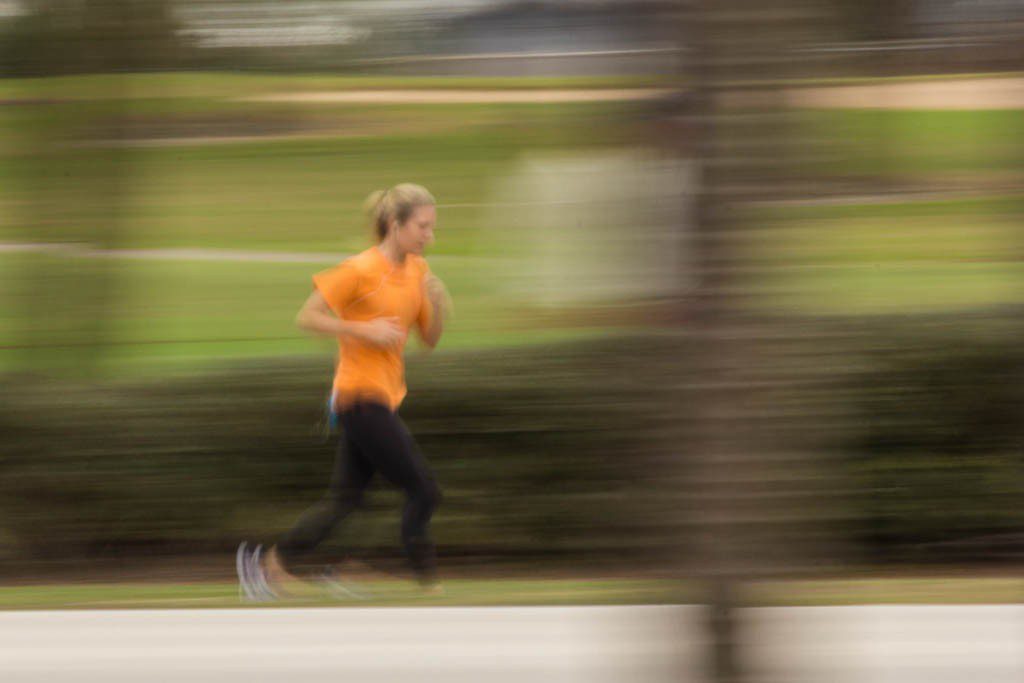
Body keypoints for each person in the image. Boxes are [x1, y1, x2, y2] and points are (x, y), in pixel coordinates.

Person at [238, 183, 451, 599]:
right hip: (358, 396)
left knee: (347, 500)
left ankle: (271, 569)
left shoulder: (418, 273)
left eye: (432, 228)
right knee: (424, 491)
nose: (430, 236)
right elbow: (307, 317)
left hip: (383, 397)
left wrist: (438, 303)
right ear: (395, 224)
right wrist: (361, 329)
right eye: (423, 226)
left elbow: (428, 341)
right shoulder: (359, 270)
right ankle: (430, 586)